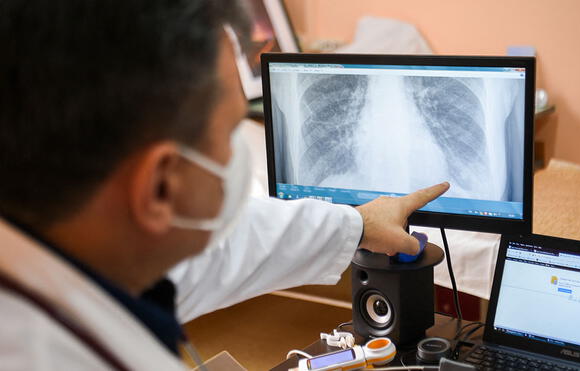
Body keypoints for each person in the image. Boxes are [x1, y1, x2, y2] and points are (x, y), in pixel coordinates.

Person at [0, 1, 449, 369]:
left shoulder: (85, 245)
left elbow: (222, 249)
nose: (238, 156)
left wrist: (356, 224)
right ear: (159, 187)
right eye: (233, 130)